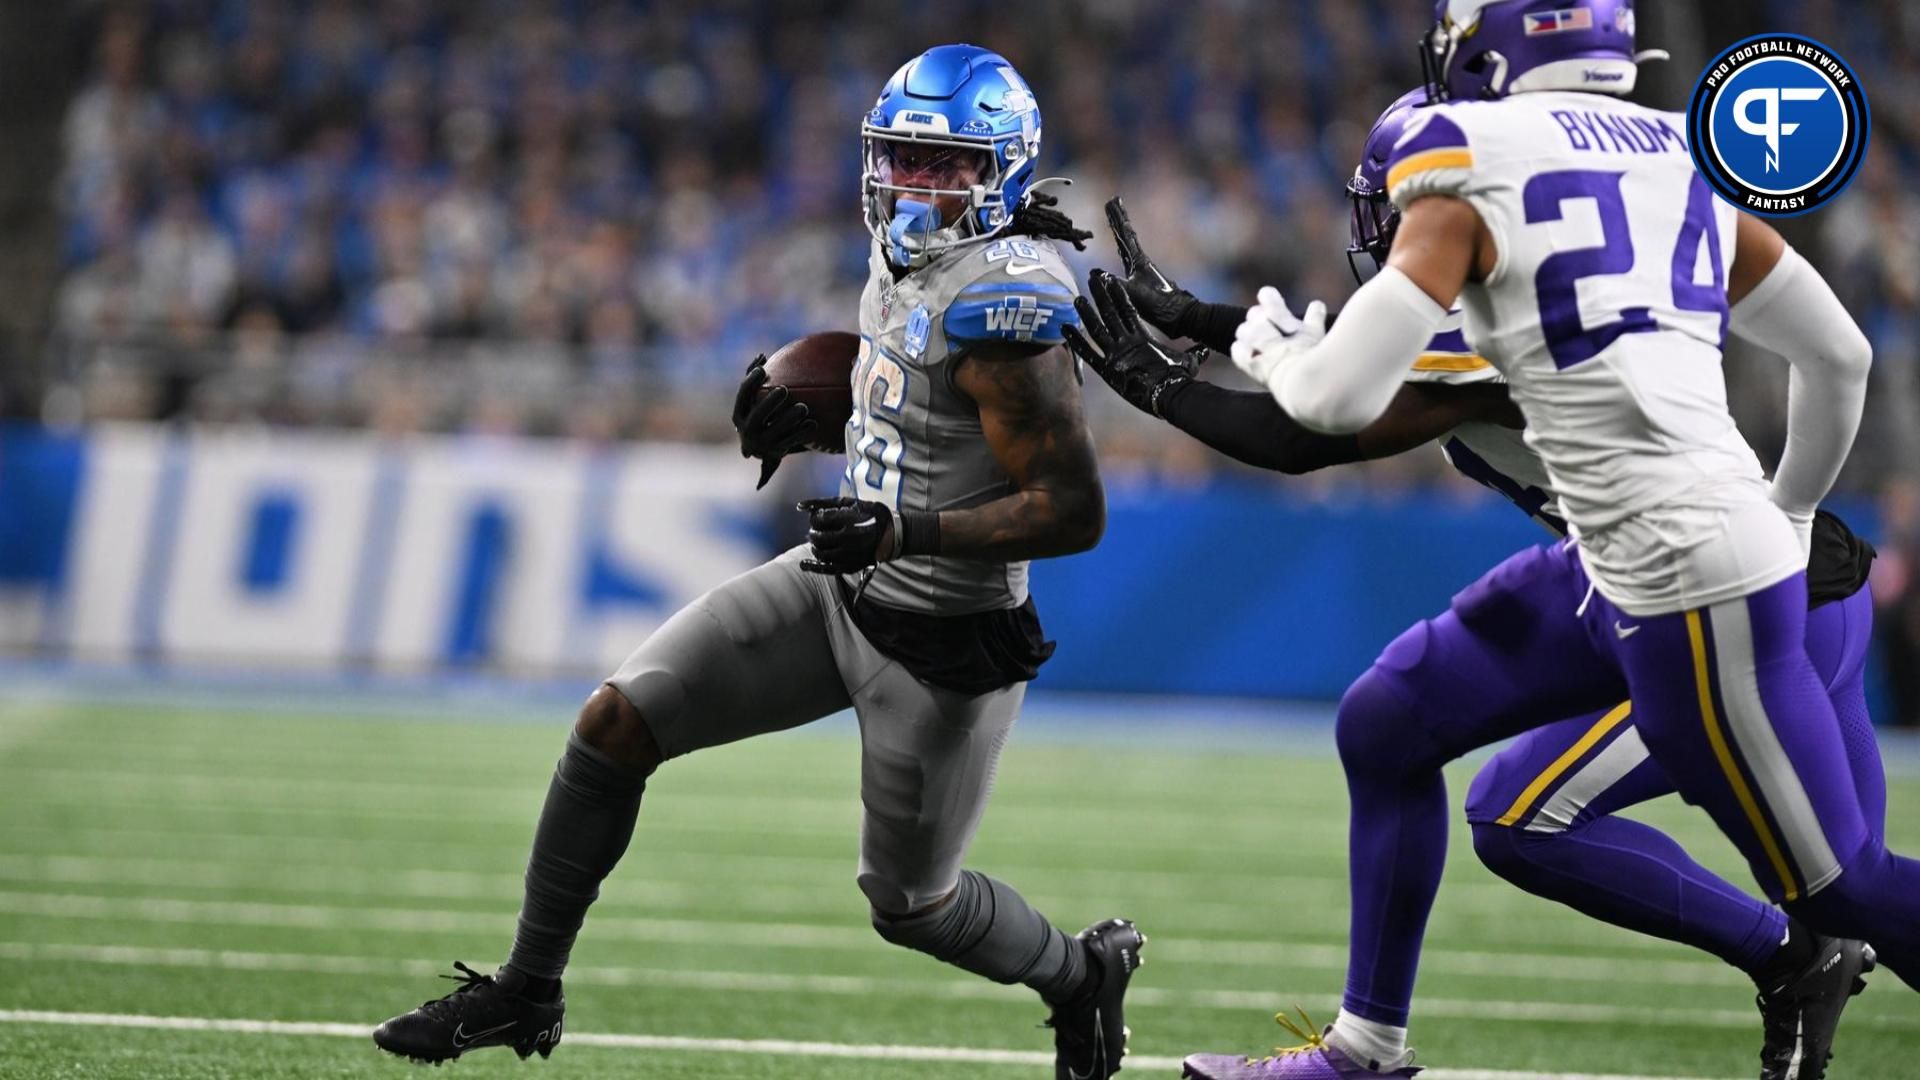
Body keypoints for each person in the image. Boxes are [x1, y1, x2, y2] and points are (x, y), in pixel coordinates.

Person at [1113, 1, 1918, 1075]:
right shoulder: (1671, 156)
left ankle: (1791, 954)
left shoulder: (1472, 162)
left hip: (1713, 588)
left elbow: (1324, 414)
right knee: (1388, 722)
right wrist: (1217, 325)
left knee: (1839, 886)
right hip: (1659, 559)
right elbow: (1837, 358)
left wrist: (1169, 385)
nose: (1388, 229)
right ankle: (1363, 1050)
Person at [371, 44, 1145, 1080]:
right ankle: (526, 989)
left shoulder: (1009, 308)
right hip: (842, 584)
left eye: (944, 164)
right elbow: (908, 375)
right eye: (901, 159)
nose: (914, 185)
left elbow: (1071, 509)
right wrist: (819, 389)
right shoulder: (915, 257)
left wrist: (906, 530)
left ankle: (1080, 975)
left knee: (911, 907)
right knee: (616, 720)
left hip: (943, 638)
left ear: (998, 171)